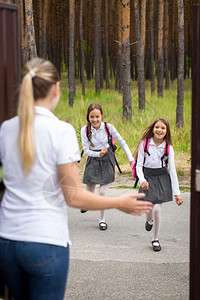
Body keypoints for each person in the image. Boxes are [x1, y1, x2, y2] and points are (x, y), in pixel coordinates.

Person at [0, 58, 152, 300]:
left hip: (7, 242)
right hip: (46, 242)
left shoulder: (6, 129)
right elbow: (72, 196)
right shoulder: (62, 131)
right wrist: (117, 202)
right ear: (56, 88)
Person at [80, 103, 135, 231]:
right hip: (93, 159)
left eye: (97, 116)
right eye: (92, 117)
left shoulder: (108, 127)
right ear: (88, 117)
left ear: (102, 116)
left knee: (102, 192)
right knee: (90, 191)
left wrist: (131, 159)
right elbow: (86, 151)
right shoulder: (84, 130)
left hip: (107, 159)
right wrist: (98, 153)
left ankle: (102, 220)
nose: (95, 120)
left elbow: (122, 142)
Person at [134, 117, 184, 252]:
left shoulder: (169, 148)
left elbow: (172, 170)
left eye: (163, 128)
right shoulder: (144, 144)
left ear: (166, 131)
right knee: (149, 210)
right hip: (148, 178)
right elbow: (139, 165)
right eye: (157, 127)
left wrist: (177, 194)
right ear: (153, 129)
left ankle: (155, 239)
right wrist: (143, 180)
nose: (159, 130)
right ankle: (149, 220)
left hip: (162, 177)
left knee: (157, 210)